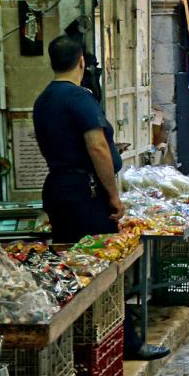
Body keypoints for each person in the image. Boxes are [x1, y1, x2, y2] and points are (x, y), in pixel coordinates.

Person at [33, 34, 124, 243]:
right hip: (84, 193)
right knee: (94, 258)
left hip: (57, 187)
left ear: (51, 62)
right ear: (81, 61)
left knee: (67, 253)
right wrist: (113, 195)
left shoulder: (43, 100)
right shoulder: (79, 97)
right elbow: (97, 148)